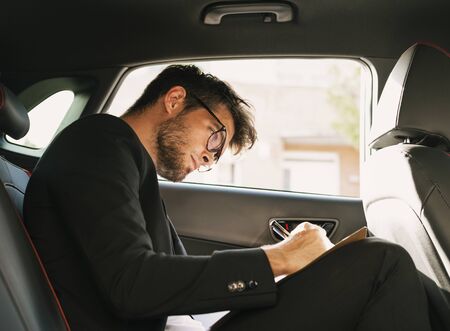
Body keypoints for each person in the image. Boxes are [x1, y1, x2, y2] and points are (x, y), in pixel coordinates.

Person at [24, 65, 448, 331]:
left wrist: (289, 275)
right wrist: (278, 257)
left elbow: (165, 279)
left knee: (373, 271)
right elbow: (132, 285)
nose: (209, 156)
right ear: (174, 99)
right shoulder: (99, 143)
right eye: (215, 136)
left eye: (215, 155)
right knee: (382, 263)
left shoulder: (125, 160)